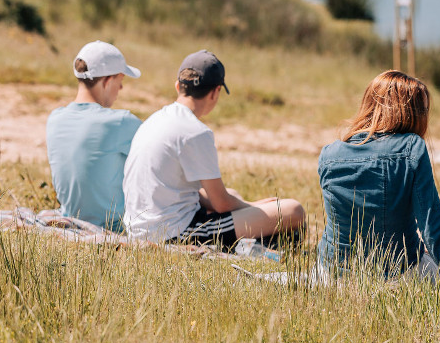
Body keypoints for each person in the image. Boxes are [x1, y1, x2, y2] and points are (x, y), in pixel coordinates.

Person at [122, 50, 305, 247]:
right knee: (293, 210)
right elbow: (222, 204)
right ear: (215, 92)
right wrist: (254, 207)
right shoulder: (195, 131)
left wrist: (247, 207)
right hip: (173, 233)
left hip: (141, 228)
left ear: (178, 86)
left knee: (233, 193)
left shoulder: (154, 120)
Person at [317, 70, 440, 285]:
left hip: (331, 272)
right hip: (395, 274)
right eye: (423, 110)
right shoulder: (412, 147)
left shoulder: (328, 154)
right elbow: (432, 227)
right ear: (412, 114)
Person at [46, 41, 143, 231]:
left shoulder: (55, 118)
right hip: (114, 228)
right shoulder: (121, 122)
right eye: (120, 80)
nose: (121, 88)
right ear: (107, 81)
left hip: (70, 220)